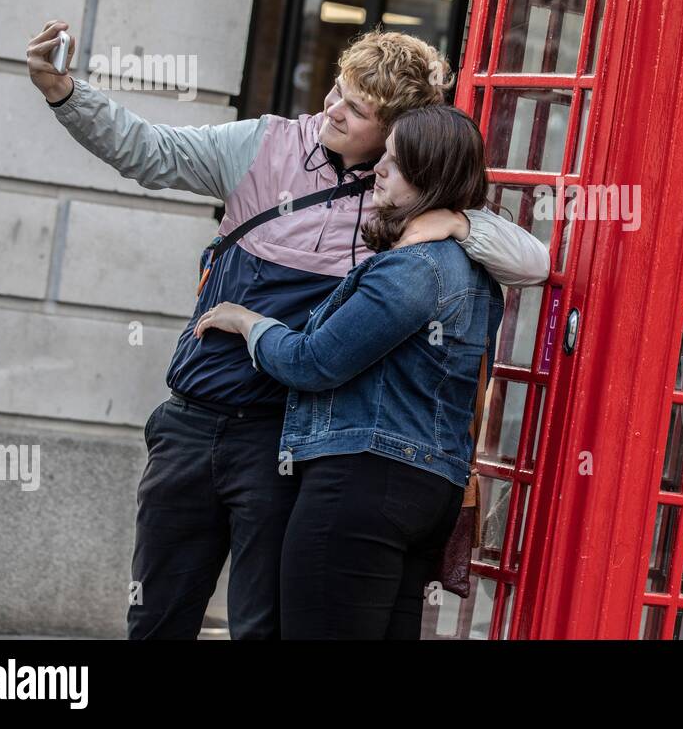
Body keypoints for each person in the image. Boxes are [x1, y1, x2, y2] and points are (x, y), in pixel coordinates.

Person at [24, 22, 548, 639]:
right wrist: (63, 91)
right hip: (190, 421)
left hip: (282, 442)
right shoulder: (262, 144)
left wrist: (460, 224)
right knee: (157, 617)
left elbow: (533, 263)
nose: (332, 110)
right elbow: (150, 150)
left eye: (356, 109)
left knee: (261, 626)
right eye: (337, 91)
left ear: (394, 131)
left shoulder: (400, 198)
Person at [193, 105, 500, 639]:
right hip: (431, 492)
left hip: (361, 487)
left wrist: (248, 322)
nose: (379, 169)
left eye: (396, 163)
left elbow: (314, 362)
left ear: (428, 178)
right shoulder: (476, 271)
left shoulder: (413, 271)